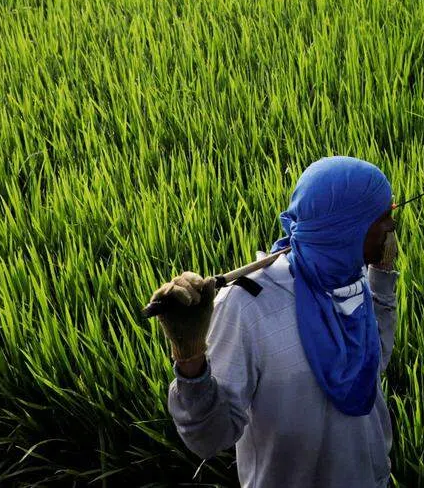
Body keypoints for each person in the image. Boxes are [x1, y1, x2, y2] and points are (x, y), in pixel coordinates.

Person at [152, 156, 402, 487]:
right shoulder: (248, 305)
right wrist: (190, 356)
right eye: (383, 218)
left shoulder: (350, 279)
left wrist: (381, 278)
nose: (392, 227)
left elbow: (372, 363)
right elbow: (210, 438)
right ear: (346, 228)